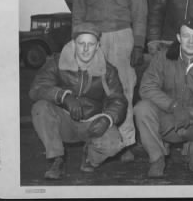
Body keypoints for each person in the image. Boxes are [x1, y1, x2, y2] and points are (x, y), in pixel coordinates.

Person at [72, 0, 148, 160]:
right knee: (91, 89)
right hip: (93, 39)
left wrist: (138, 44)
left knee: (124, 88)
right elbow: (78, 10)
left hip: (121, 38)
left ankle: (125, 142)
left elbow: (140, 13)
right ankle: (94, 139)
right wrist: (78, 41)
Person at [29, 23, 128, 179]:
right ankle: (56, 159)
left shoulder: (108, 70)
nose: (86, 49)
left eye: (91, 44)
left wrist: (107, 118)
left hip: (92, 124)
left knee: (114, 144)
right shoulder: (56, 62)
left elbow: (118, 100)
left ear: (98, 46)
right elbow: (37, 88)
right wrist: (63, 96)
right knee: (40, 108)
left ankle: (90, 158)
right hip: (64, 121)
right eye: (81, 43)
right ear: (74, 44)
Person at [135, 19, 193, 178]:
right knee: (142, 109)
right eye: (186, 36)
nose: (191, 41)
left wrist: (187, 113)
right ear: (178, 37)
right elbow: (147, 87)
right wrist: (173, 107)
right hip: (165, 119)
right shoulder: (162, 57)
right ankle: (157, 158)